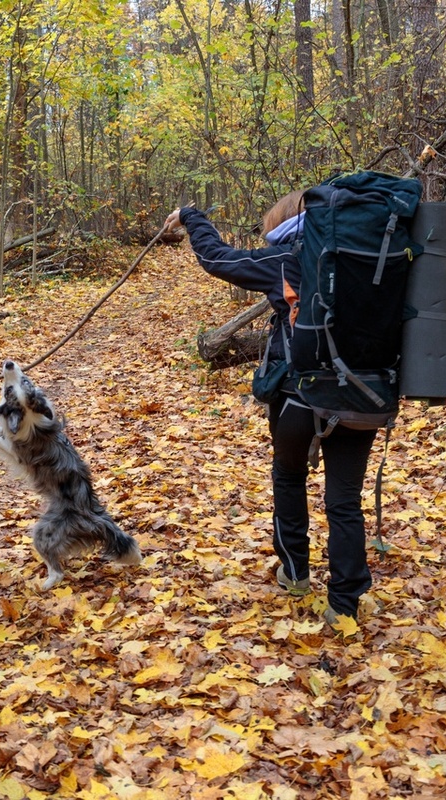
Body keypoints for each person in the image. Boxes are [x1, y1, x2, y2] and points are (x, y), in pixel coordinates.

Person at [164, 195, 378, 631]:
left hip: (299, 393)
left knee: (289, 475)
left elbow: (216, 258)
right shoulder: (372, 257)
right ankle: (345, 606)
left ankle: (296, 573)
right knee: (343, 499)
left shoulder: (290, 257)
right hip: (366, 393)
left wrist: (192, 216)